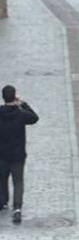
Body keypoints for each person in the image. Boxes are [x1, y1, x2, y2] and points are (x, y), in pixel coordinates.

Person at [0, 85, 39, 224]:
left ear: (3, 97)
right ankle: (17, 208)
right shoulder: (21, 114)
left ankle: (2, 201)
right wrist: (23, 104)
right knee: (18, 181)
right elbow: (34, 118)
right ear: (14, 96)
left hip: (2, 154)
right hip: (17, 155)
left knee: (2, 179)